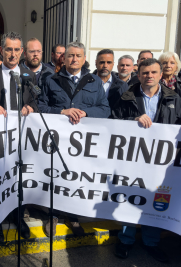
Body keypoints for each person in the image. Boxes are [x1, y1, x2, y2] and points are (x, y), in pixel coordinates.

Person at [112, 58, 181, 263]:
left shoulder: (174, 98)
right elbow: (113, 122)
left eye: (153, 73)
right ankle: (125, 240)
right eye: (145, 73)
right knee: (130, 197)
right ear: (139, 75)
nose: (149, 76)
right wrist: (132, 121)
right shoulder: (127, 97)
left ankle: (151, 242)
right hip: (133, 160)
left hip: (161, 163)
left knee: (156, 199)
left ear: (161, 75)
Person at [39, 42, 110, 236]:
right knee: (55, 177)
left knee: (77, 178)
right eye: (70, 55)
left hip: (83, 144)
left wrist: (85, 113)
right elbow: (41, 107)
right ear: (64, 58)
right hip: (56, 142)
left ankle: (73, 216)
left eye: (78, 56)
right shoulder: (50, 80)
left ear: (84, 59)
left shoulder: (94, 82)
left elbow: (105, 109)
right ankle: (53, 215)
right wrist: (62, 111)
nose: (74, 59)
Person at [0, 31, 37, 243]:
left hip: (21, 139)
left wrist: (30, 107)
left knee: (19, 180)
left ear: (22, 52)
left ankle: (18, 217)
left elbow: (37, 103)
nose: (12, 54)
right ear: (2, 50)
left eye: (16, 50)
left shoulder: (29, 76)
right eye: (9, 49)